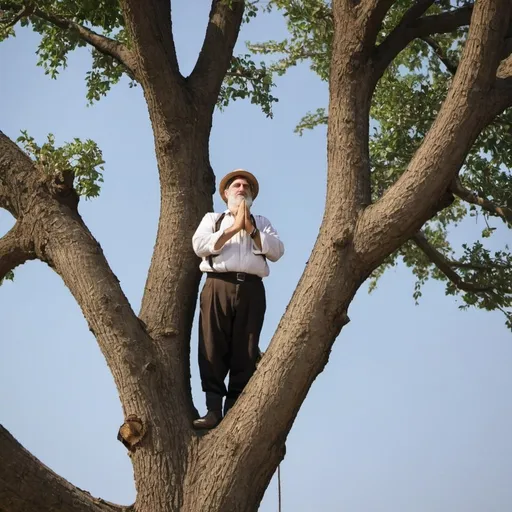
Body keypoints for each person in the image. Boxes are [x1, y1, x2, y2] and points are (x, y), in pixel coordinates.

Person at [191, 169, 284, 429]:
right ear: (225, 193)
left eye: (246, 187)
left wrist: (251, 230)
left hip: (252, 288)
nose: (241, 189)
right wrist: (233, 229)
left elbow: (277, 251)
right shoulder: (213, 218)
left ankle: (234, 409)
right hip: (218, 285)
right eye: (236, 186)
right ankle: (213, 409)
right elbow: (199, 245)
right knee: (212, 344)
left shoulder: (262, 222)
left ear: (252, 195)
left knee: (247, 347)